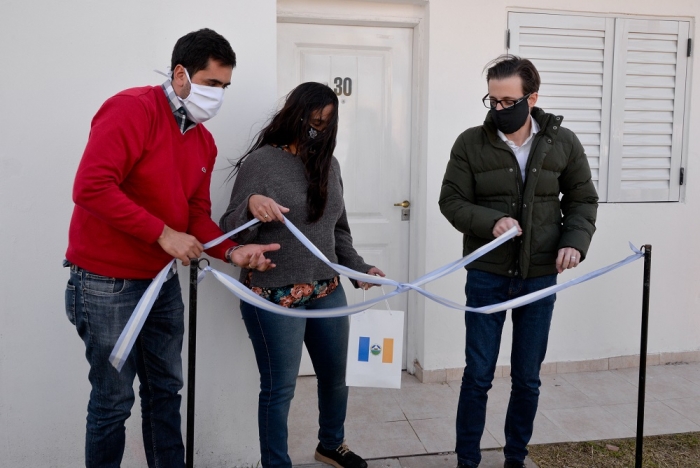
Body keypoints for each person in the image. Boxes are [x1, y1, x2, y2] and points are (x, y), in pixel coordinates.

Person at [64, 28, 280, 468]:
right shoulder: (132, 110)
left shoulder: (203, 139)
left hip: (159, 283)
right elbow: (90, 187)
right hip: (105, 283)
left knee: (166, 390)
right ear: (180, 74)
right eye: (211, 83)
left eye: (224, 87)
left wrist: (232, 251)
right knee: (114, 400)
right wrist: (163, 234)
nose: (217, 95)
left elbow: (195, 215)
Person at [439, 55, 598, 468]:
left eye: (508, 101)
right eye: (492, 100)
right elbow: (451, 201)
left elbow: (582, 200)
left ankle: (515, 458)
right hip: (487, 276)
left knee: (527, 379)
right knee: (477, 376)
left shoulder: (564, 143)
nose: (499, 109)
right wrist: (492, 222)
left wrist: (574, 243)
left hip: (539, 276)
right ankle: (467, 461)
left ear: (532, 97)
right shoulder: (470, 143)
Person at [220, 82, 383, 468]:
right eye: (312, 121)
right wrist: (250, 206)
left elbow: (337, 229)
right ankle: (276, 463)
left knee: (335, 378)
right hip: (274, 293)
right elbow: (229, 228)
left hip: (327, 288)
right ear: (294, 115)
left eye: (325, 124)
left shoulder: (329, 163)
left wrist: (357, 267)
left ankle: (331, 445)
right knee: (280, 388)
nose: (317, 130)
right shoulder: (261, 163)